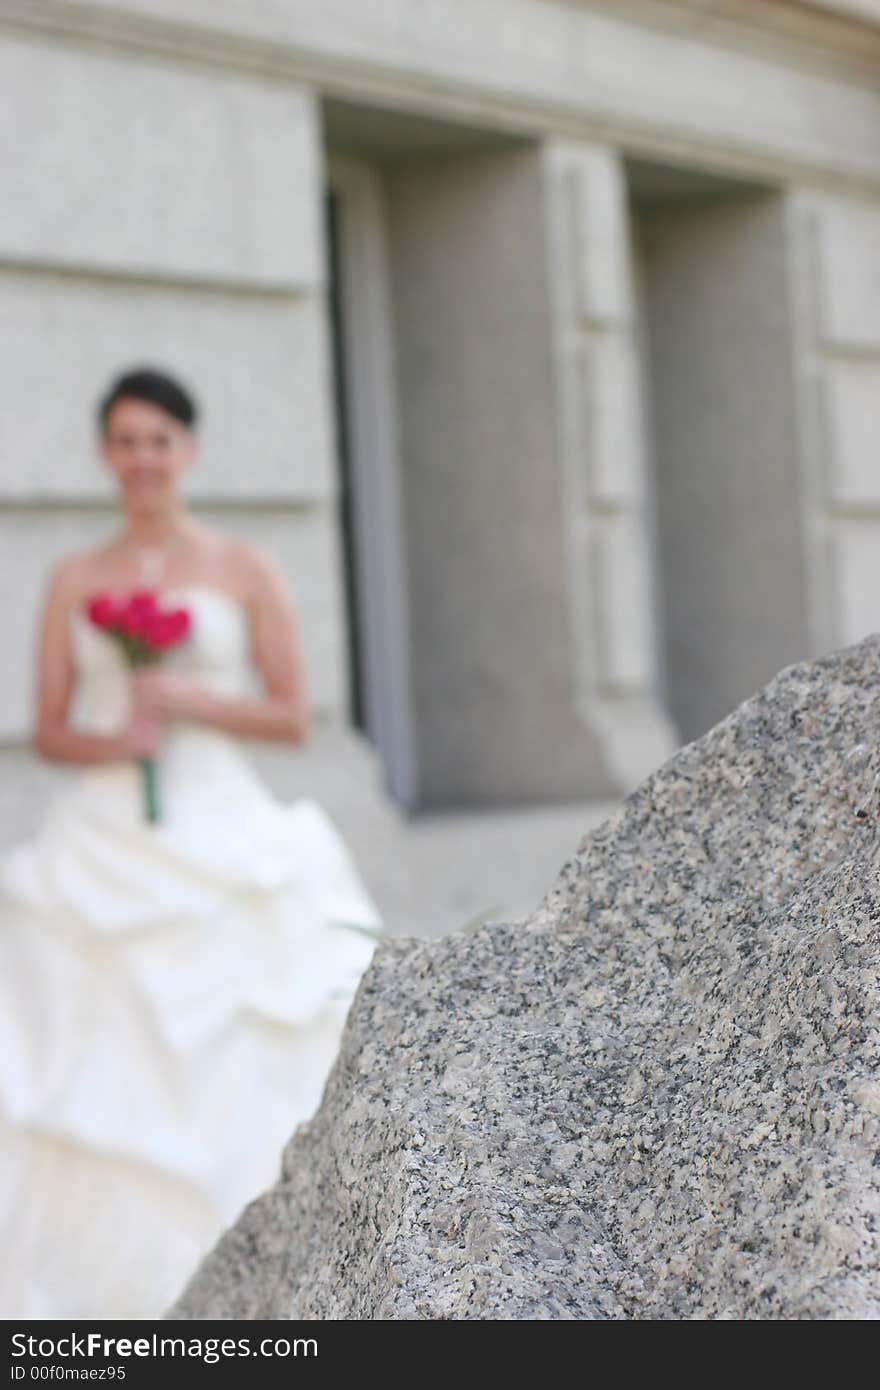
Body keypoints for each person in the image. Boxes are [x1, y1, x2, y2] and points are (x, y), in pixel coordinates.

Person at [0, 367, 384, 1319]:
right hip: (102, 835)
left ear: (188, 451)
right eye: (124, 441)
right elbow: (47, 728)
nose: (141, 458)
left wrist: (186, 699)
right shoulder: (75, 578)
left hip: (223, 824)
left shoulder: (243, 567)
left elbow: (293, 715)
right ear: (104, 455)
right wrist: (115, 738)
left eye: (157, 440)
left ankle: (268, 1275)